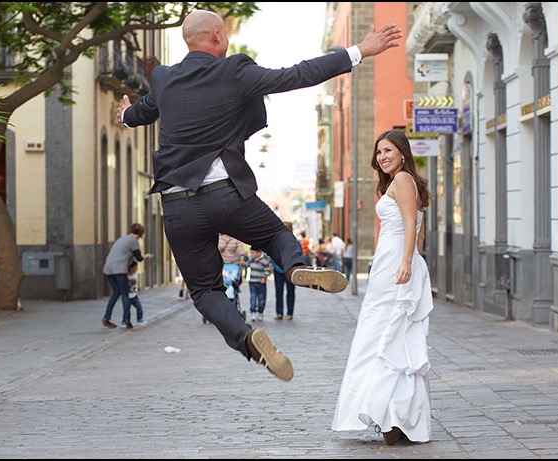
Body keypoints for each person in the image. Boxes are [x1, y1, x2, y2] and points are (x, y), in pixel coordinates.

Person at [116, 9, 402, 381]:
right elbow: (296, 74)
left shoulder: (164, 79)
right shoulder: (234, 70)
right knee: (274, 236)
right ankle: (296, 267)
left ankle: (247, 339)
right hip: (225, 194)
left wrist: (124, 116)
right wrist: (358, 51)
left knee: (204, 290)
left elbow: (141, 112)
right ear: (218, 36)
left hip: (177, 206)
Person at [332, 130, 434, 445]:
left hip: (395, 267)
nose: (382, 157)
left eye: (388, 150)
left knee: (383, 337)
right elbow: (419, 230)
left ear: (403, 153)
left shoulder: (403, 180)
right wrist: (410, 260)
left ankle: (390, 415)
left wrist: (406, 262)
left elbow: (409, 226)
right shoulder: (401, 182)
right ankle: (393, 417)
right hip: (391, 265)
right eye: (378, 152)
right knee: (390, 339)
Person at [102, 223, 154, 329]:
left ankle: (106, 318)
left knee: (116, 293)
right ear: (139, 234)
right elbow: (138, 258)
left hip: (108, 268)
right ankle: (126, 321)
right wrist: (146, 256)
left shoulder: (122, 239)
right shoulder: (133, 241)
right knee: (125, 294)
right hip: (119, 269)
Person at [271, 221, 297, 320]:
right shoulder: (276, 240)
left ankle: (290, 313)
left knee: (290, 292)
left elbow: (298, 254)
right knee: (279, 292)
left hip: (290, 270)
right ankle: (279, 313)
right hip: (278, 270)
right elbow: (272, 252)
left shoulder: (294, 241)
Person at [247, 248, 271, 321]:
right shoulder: (251, 260)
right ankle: (253, 312)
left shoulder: (264, 261)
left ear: (258, 253)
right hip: (252, 281)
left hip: (260, 282)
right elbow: (247, 265)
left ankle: (260, 312)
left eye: (253, 253)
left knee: (261, 298)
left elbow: (267, 270)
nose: (251, 255)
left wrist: (264, 277)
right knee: (253, 298)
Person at [127, 261, 148, 326]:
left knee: (139, 307)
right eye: (135, 267)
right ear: (131, 268)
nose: (136, 269)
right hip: (127, 296)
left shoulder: (135, 274)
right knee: (127, 310)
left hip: (134, 295)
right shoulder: (125, 275)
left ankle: (139, 319)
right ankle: (125, 321)